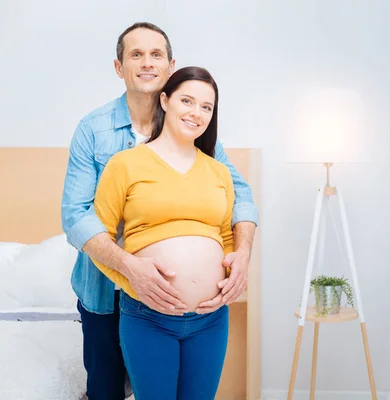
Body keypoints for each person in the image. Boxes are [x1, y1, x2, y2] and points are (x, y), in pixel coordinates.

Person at [61, 22, 257, 400]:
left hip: (200, 316)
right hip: (107, 290)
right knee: (105, 391)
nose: (147, 63)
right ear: (119, 67)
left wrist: (242, 257)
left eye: (156, 55)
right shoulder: (96, 131)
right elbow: (76, 216)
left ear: (170, 66)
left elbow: (239, 199)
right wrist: (131, 269)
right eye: (136, 54)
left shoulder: (196, 134)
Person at [91, 65, 232, 399]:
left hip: (210, 320)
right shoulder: (125, 164)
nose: (196, 113)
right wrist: (134, 283)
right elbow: (97, 240)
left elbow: (226, 236)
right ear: (165, 100)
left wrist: (232, 270)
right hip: (148, 317)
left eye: (206, 107)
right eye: (188, 101)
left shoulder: (219, 171)